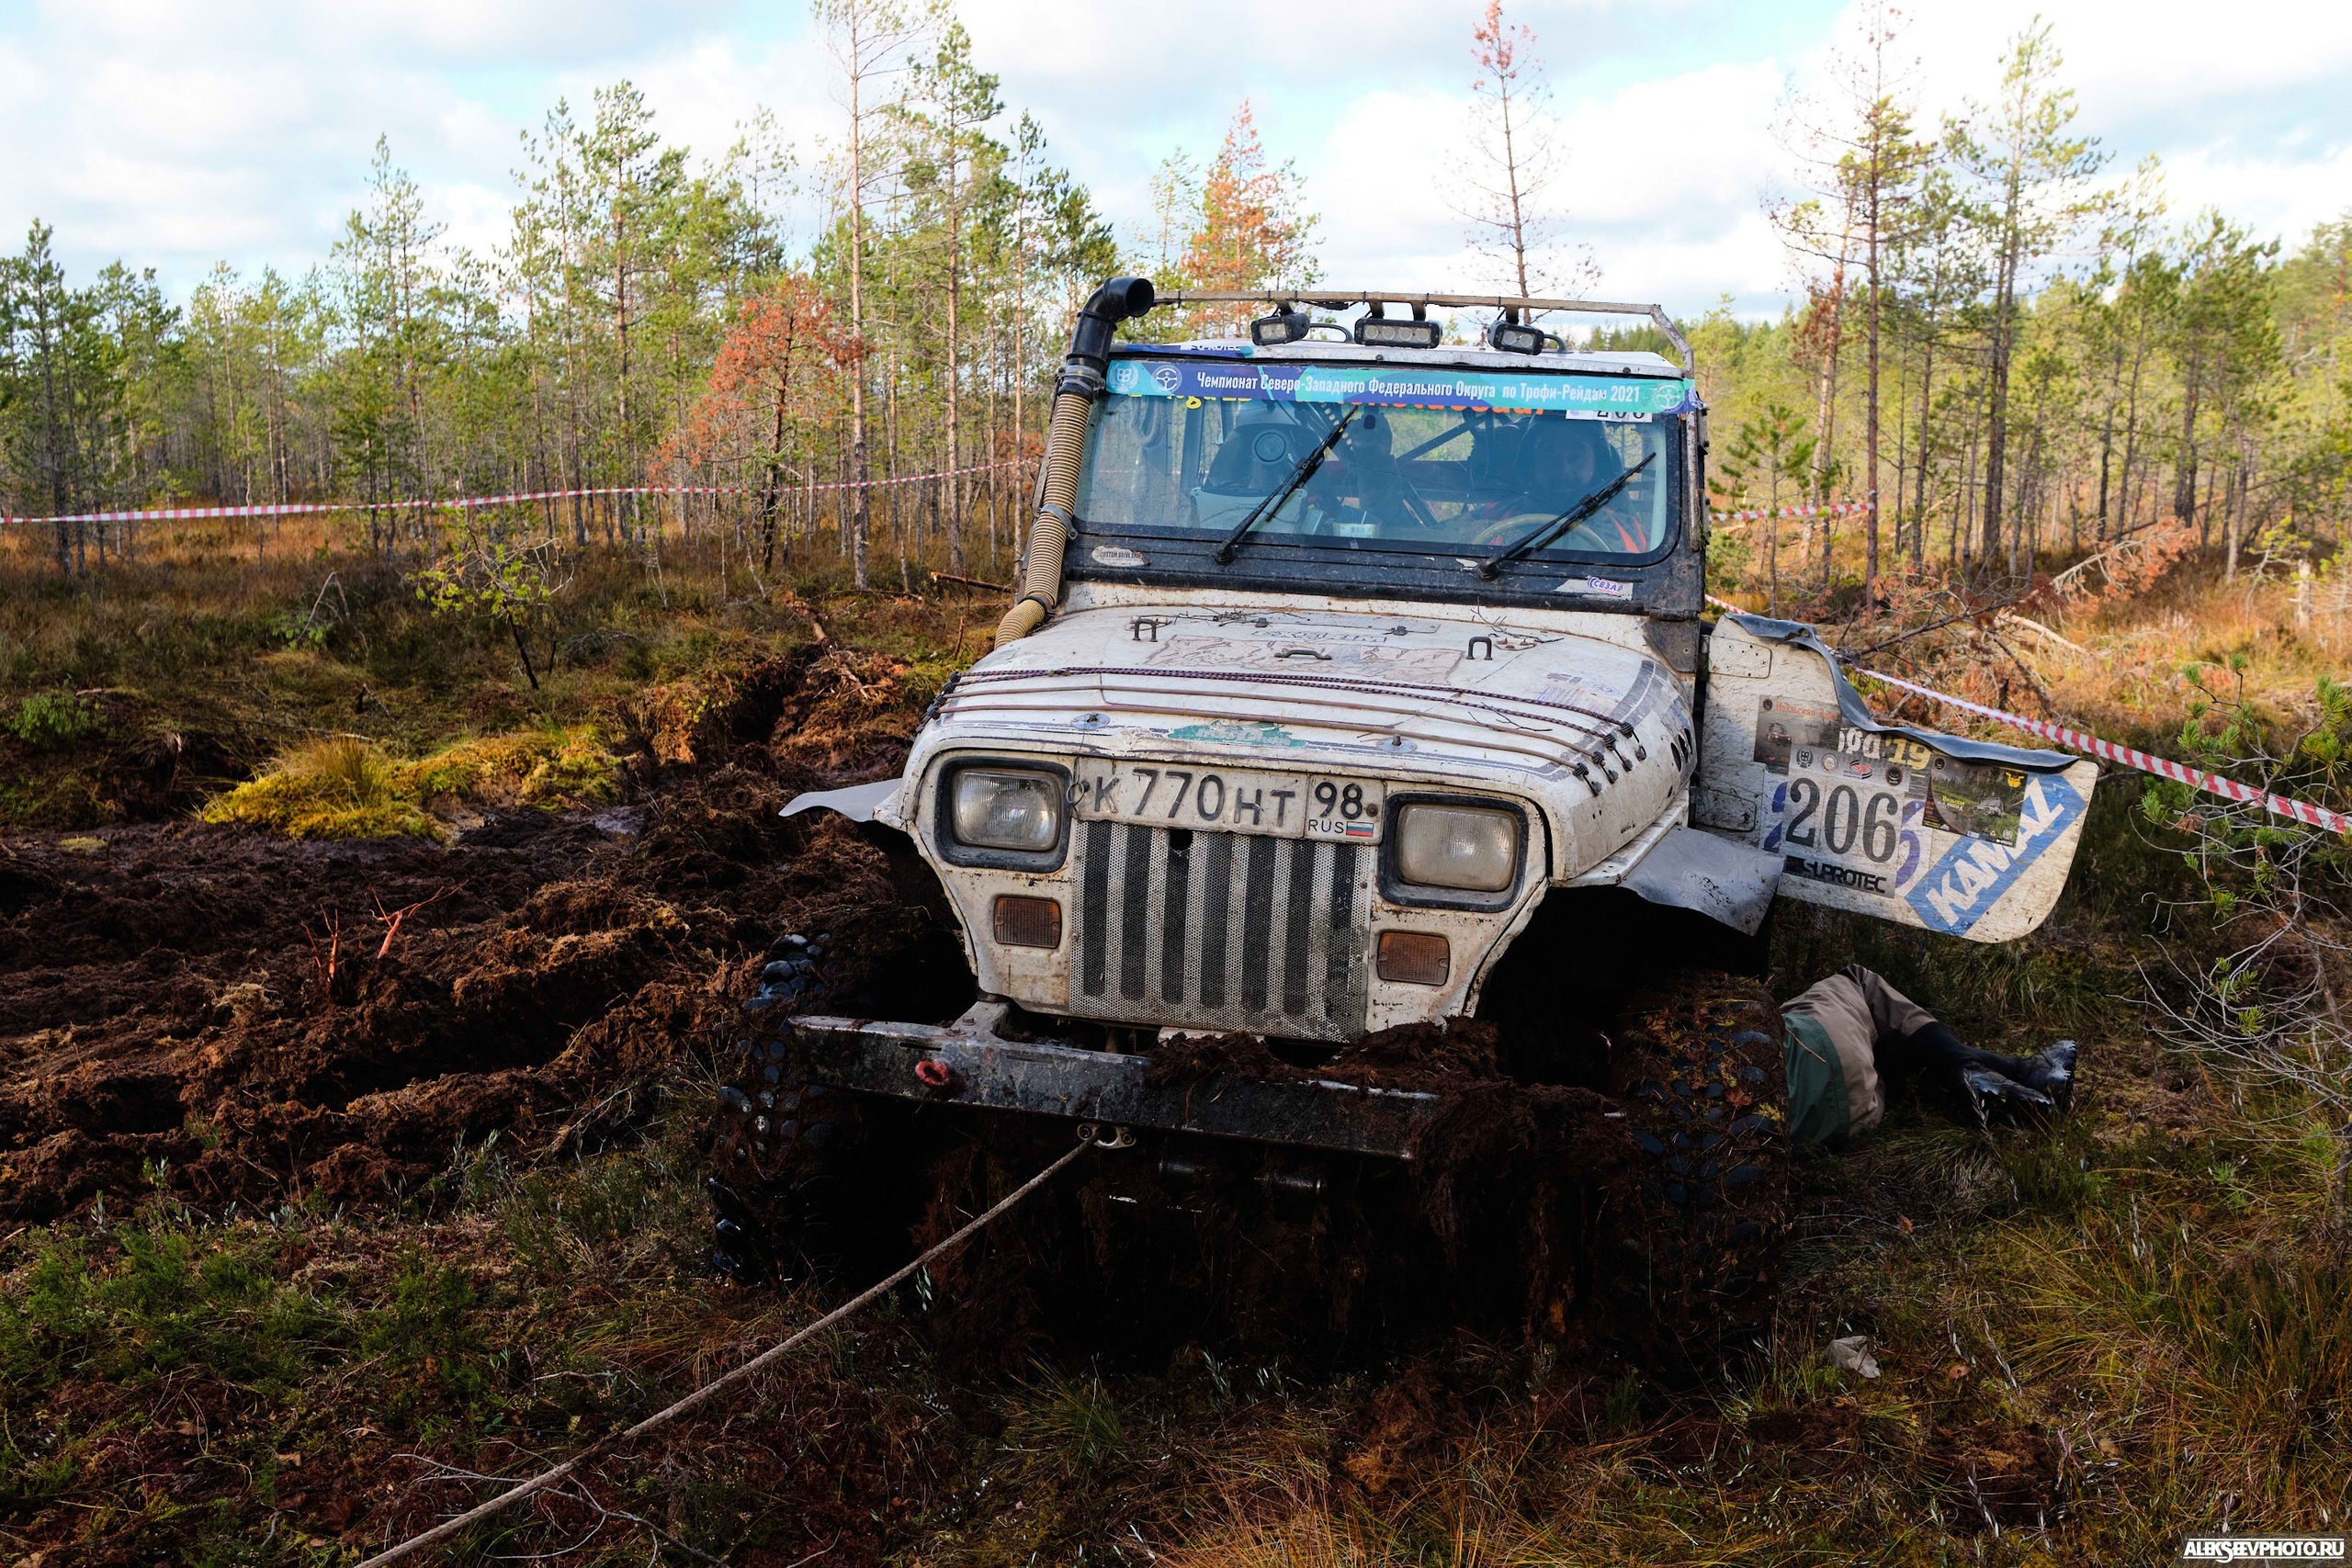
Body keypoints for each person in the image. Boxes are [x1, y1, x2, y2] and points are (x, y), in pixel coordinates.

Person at [1779, 963, 2076, 1145]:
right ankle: (1989, 1072)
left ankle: (2022, 1072)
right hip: (1816, 1046)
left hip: (1846, 1121)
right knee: (1858, 982)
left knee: (1883, 1064)